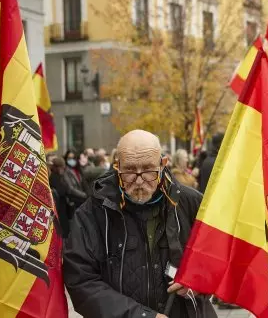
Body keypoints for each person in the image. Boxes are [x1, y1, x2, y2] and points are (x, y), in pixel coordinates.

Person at [63, 130, 217, 318]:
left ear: (163, 164)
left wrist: (200, 281)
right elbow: (81, 281)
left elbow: (218, 258)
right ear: (117, 166)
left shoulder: (192, 203)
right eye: (129, 170)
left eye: (148, 170)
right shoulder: (93, 213)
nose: (139, 180)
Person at [49, 157, 72, 238]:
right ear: (57, 167)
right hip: (59, 209)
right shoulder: (54, 177)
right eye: (62, 168)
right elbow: (62, 191)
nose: (63, 170)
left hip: (62, 207)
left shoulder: (59, 176)